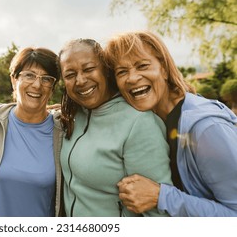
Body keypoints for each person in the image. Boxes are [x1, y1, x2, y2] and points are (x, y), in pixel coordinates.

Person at [105, 30, 237, 216]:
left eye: (142, 66)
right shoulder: (154, 120)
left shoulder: (207, 129)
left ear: (164, 69)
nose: (132, 78)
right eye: (122, 72)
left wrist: (162, 196)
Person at [58, 38, 172, 217]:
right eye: (70, 75)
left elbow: (158, 212)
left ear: (106, 70)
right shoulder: (72, 116)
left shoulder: (139, 123)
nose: (80, 80)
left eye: (88, 69)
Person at [0, 47, 64, 217]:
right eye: (29, 75)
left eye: (46, 79)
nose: (37, 85)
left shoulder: (64, 131)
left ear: (52, 87)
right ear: (14, 80)